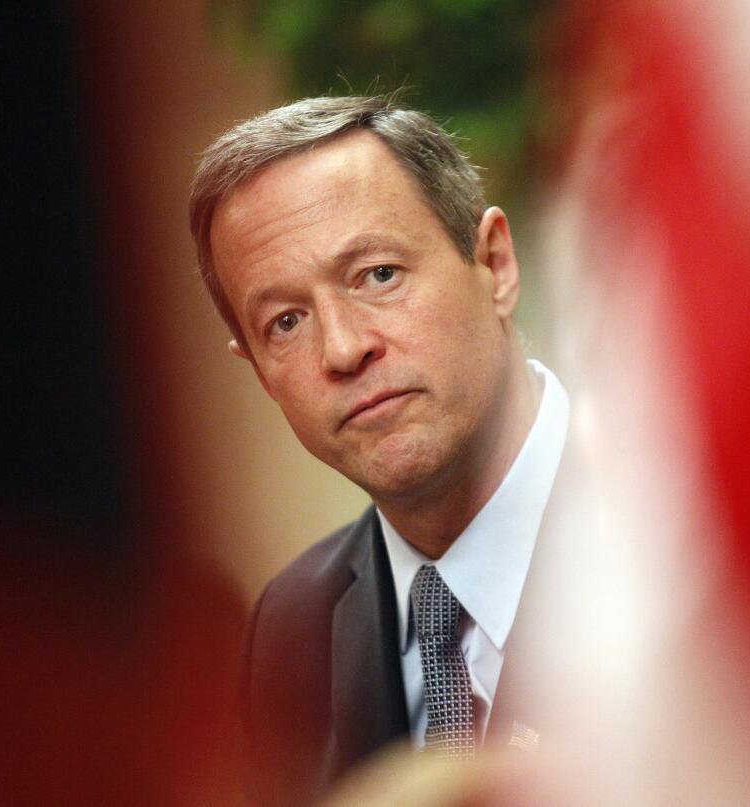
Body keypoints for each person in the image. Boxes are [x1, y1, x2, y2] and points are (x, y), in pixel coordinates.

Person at [189, 95, 570, 805]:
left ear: (495, 264)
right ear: (257, 370)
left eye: (378, 275)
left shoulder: (691, 543)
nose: (342, 347)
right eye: (286, 321)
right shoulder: (287, 629)